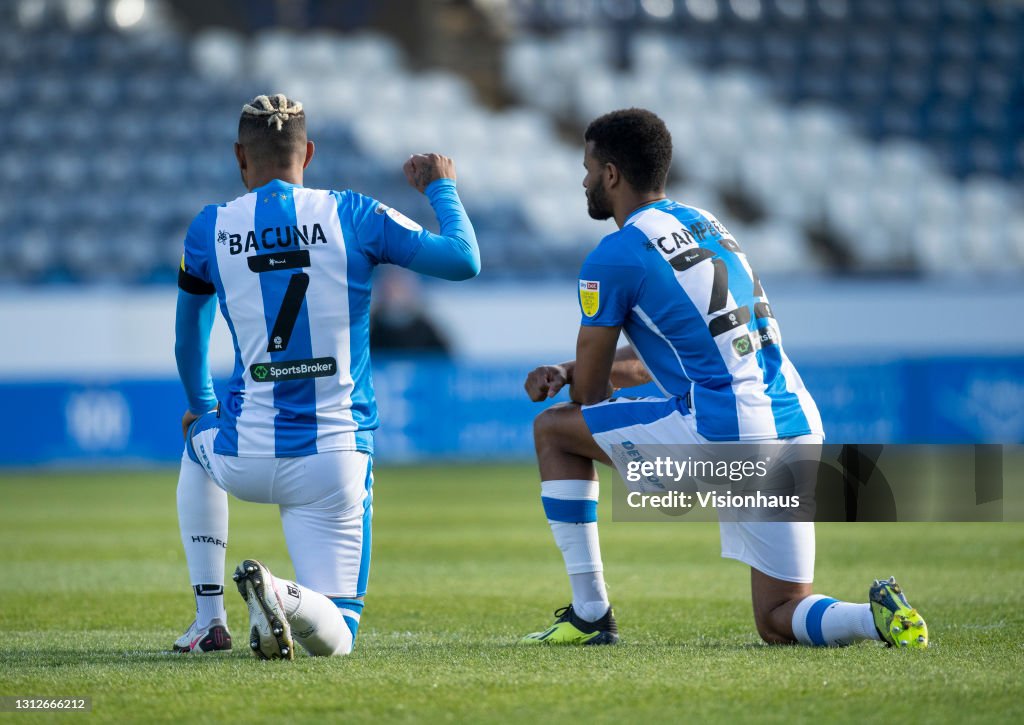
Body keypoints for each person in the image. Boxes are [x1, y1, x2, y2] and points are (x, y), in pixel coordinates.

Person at [518, 108, 928, 649]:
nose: (585, 180)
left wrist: (577, 376)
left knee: (554, 429)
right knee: (780, 616)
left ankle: (590, 614)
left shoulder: (613, 256)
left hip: (726, 433)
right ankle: (872, 617)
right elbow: (673, 357)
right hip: (795, 426)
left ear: (612, 174)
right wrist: (576, 368)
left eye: (589, 167)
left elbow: (591, 398)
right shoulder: (708, 224)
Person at [173, 93, 479, 658]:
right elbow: (464, 259)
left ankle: (208, 619)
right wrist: (442, 187)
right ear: (308, 153)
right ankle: (282, 594)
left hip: (245, 453)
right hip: (333, 461)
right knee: (338, 636)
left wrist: (201, 404)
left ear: (240, 156)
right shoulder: (355, 214)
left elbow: (188, 333)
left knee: (196, 444)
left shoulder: (209, 228)